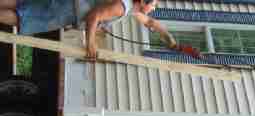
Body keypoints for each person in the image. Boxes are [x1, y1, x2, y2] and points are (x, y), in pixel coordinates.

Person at [0, 0, 178, 59]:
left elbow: (150, 22)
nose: (154, 8)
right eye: (154, 4)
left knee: (23, 3)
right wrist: (91, 43)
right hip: (68, 10)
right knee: (24, 18)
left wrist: (170, 39)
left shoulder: (131, 6)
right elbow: (94, 16)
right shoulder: (122, 7)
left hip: (70, 4)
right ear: (144, 2)